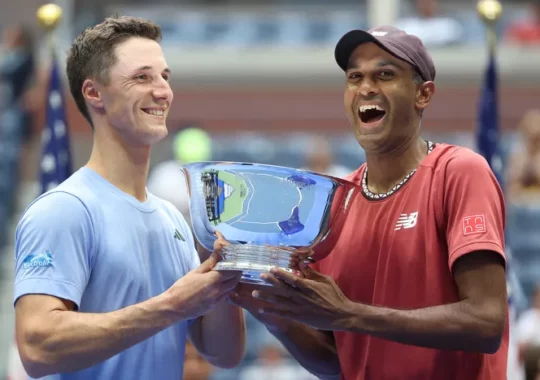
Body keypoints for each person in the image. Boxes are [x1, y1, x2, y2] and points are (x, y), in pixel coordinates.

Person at [230, 25, 508, 379]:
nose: (365, 87)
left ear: (423, 94)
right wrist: (272, 312)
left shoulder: (459, 172)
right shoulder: (332, 202)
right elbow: (338, 361)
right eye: (354, 77)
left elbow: (486, 322)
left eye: (385, 74)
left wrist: (348, 314)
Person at [13, 16, 245, 379]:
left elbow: (223, 353)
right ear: (94, 93)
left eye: (165, 76)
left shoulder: (174, 221)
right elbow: (37, 347)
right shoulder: (64, 210)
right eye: (142, 77)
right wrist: (171, 306)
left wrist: (226, 274)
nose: (163, 91)